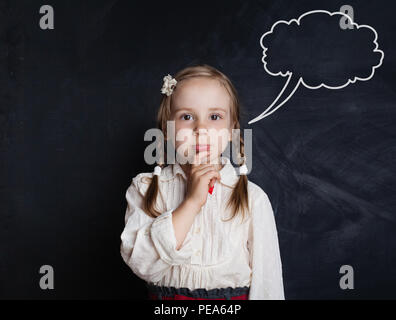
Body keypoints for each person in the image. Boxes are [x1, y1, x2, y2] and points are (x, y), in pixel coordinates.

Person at [120, 64, 285, 300]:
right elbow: (142, 265)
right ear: (167, 130)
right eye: (187, 117)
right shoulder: (146, 189)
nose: (201, 129)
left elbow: (268, 285)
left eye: (215, 117)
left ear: (232, 130)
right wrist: (192, 202)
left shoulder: (253, 198)